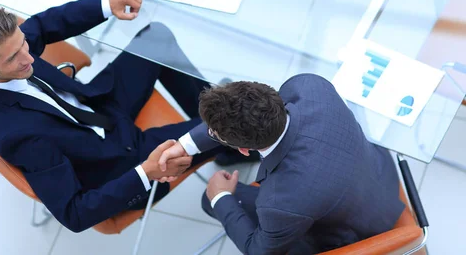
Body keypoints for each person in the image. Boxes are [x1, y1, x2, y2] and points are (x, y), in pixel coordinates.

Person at [0, 0, 231, 233]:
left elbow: (42, 25)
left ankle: (219, 126)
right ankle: (236, 135)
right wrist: (146, 172)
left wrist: (106, 4)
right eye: (15, 57)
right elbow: (75, 214)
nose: (29, 57)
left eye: (24, 43)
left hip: (97, 105)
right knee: (228, 122)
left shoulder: (5, 53)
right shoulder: (19, 136)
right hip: (123, 161)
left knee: (156, 37)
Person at [158, 75, 405, 254]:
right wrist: (186, 145)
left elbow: (258, 251)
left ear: (245, 150)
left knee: (208, 199)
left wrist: (220, 197)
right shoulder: (309, 86)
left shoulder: (280, 203)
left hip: (359, 232)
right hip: (381, 173)